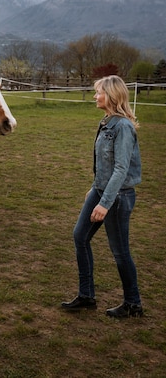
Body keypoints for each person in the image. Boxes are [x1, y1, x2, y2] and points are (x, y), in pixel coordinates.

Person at [61, 75, 143, 318]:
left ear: (112, 95)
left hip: (118, 197)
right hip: (100, 190)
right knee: (80, 236)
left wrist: (105, 204)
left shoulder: (123, 127)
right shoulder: (107, 122)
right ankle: (86, 296)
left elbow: (120, 169)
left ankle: (133, 303)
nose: (95, 96)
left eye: (99, 92)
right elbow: (104, 166)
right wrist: (94, 188)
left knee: (120, 252)